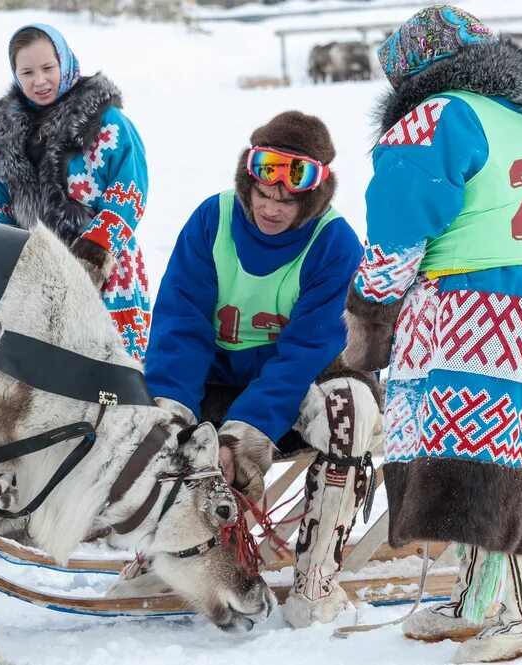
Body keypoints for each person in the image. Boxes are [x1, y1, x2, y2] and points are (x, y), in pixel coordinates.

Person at [343, 6, 522, 662]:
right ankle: (477, 600)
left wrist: (368, 318)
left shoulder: (434, 118)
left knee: (488, 462)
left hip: (470, 308)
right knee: (505, 449)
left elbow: (396, 230)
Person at [144, 112, 381, 628]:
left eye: (287, 199)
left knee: (352, 411)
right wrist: (171, 416)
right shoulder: (214, 218)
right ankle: (157, 557)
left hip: (296, 385)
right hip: (217, 380)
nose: (271, 207)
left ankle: (315, 583)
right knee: (157, 419)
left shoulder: (334, 241)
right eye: (263, 193)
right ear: (247, 181)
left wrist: (242, 440)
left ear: (311, 198)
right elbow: (180, 324)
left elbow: (304, 350)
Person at [0, 24, 150, 360]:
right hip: (40, 270)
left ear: (66, 63)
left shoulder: (109, 123)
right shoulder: (9, 136)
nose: (39, 80)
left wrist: (93, 255)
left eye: (47, 68)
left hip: (106, 266)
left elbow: (129, 190)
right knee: (50, 365)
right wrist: (14, 253)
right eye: (27, 72)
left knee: (112, 364)